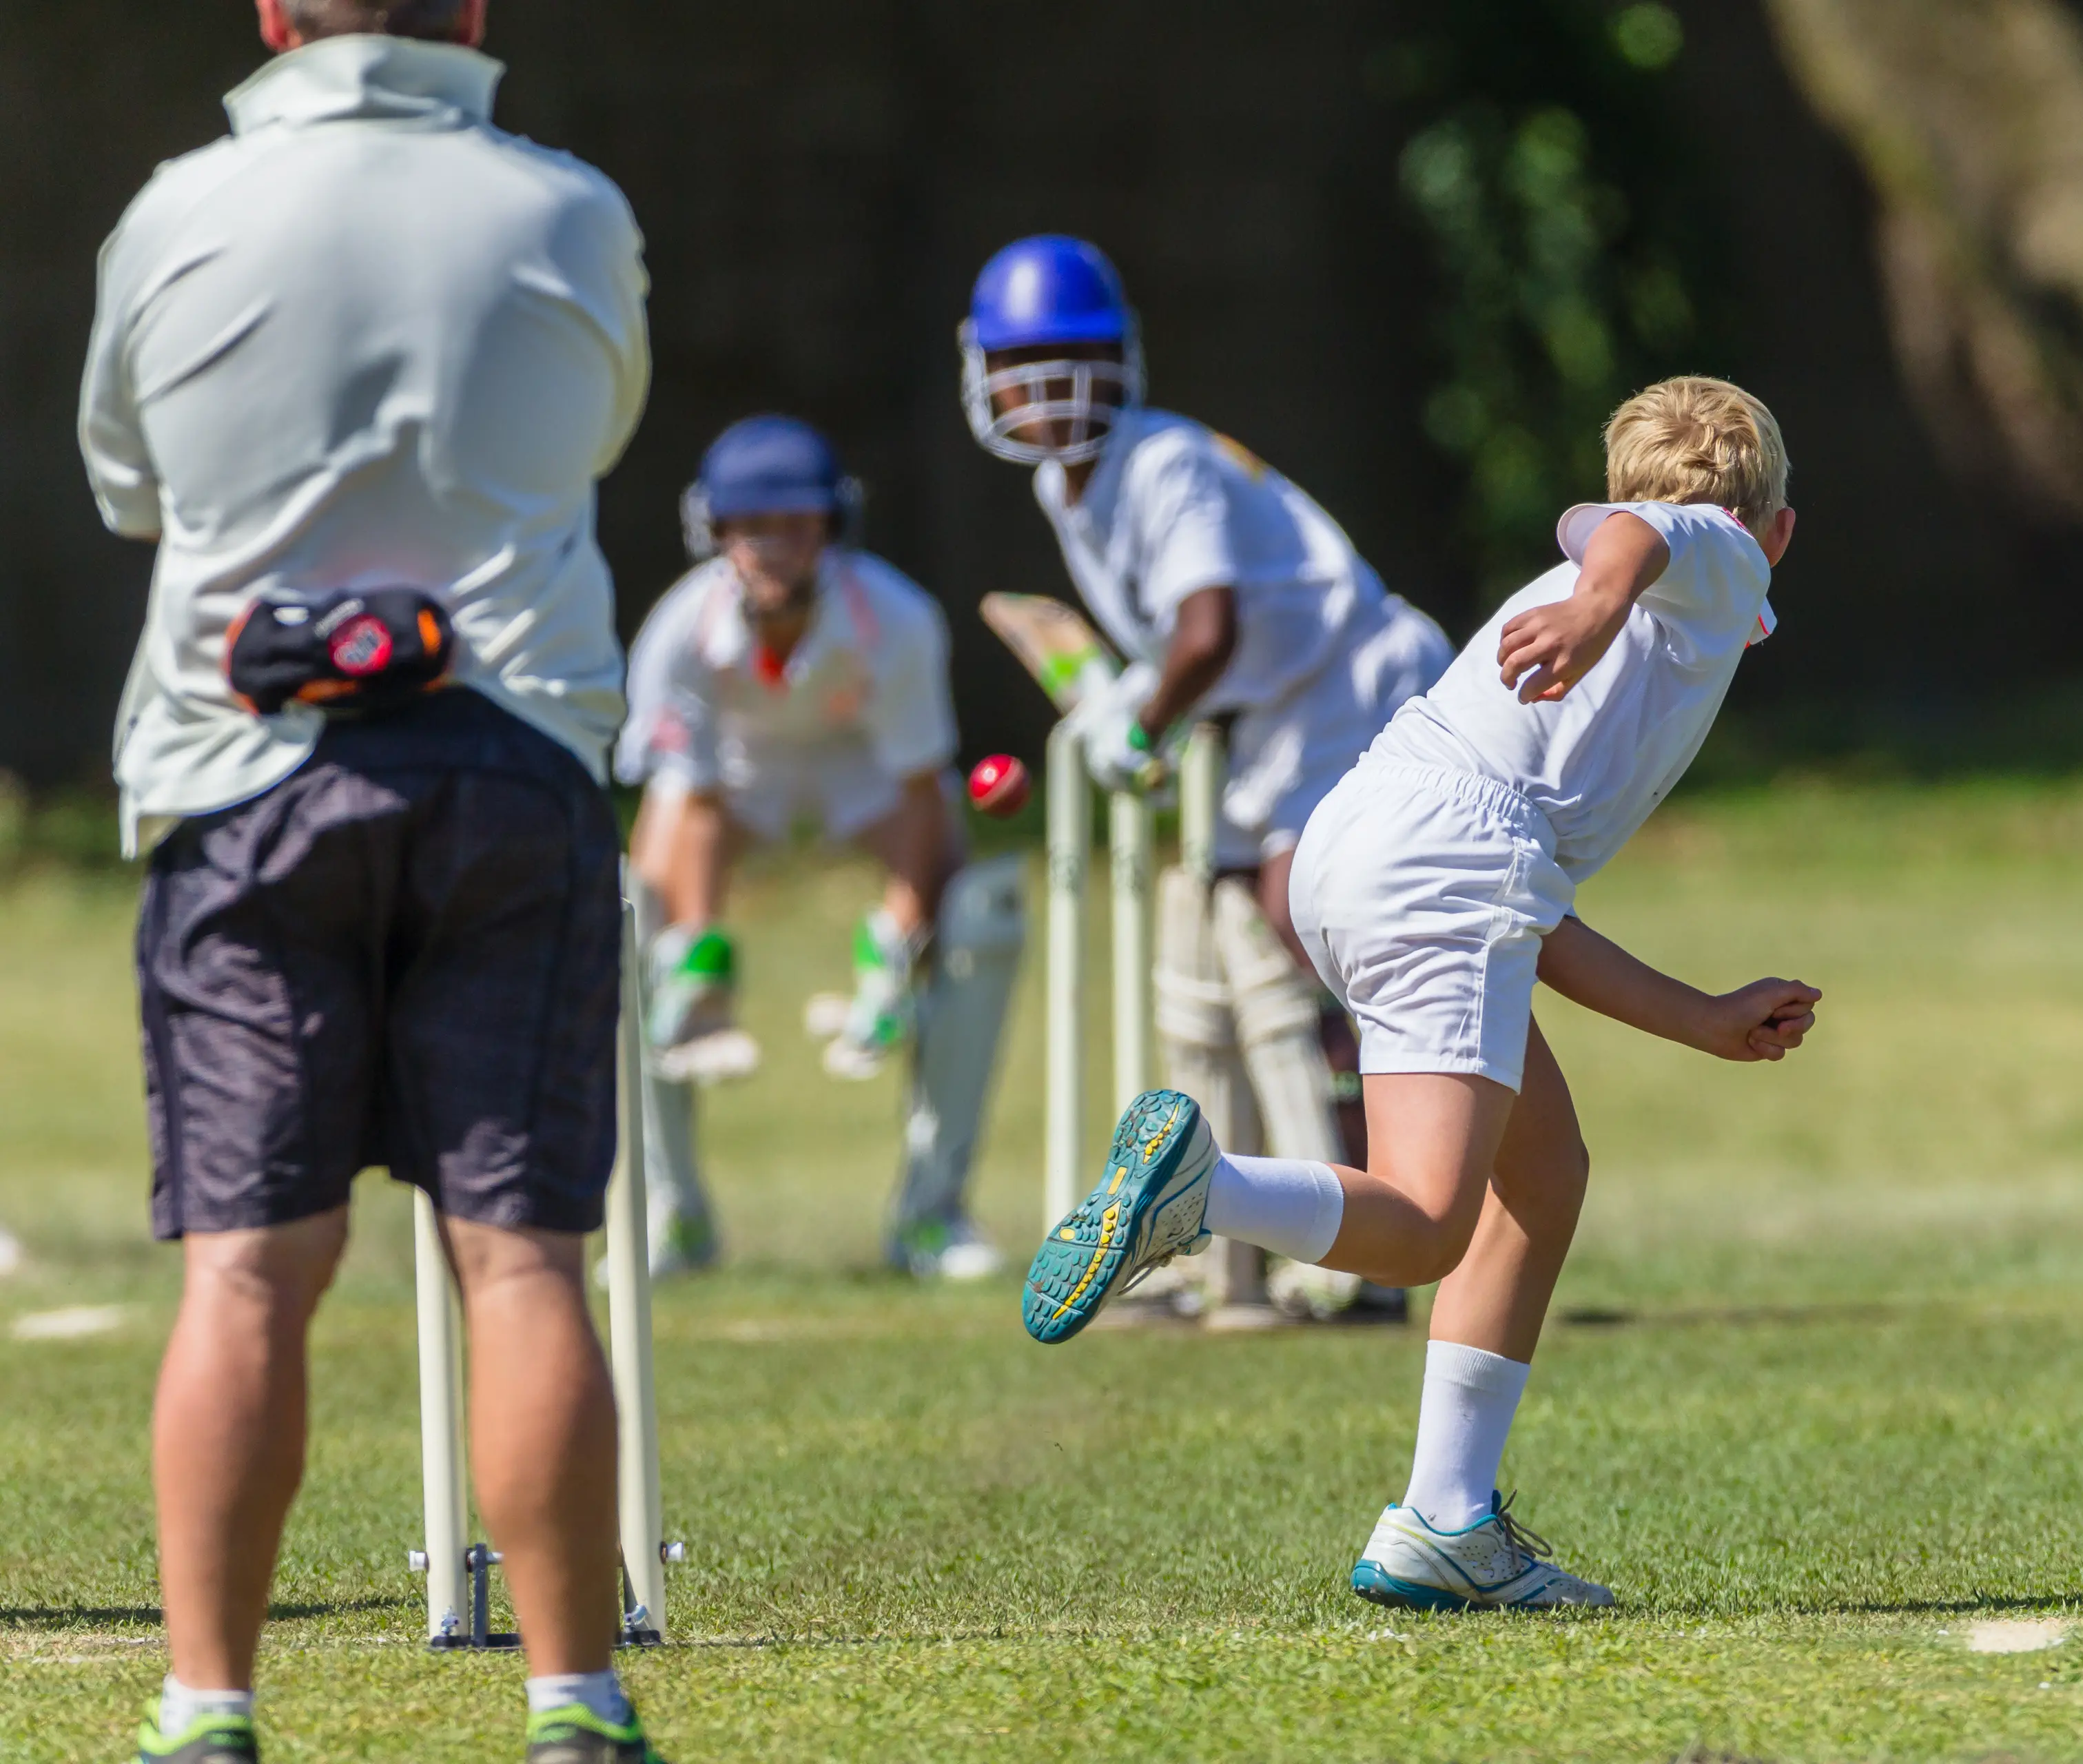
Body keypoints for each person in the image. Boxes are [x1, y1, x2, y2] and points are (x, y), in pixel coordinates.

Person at [79, 1, 662, 1758]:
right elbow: (597, 431)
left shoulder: (174, 211)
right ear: (473, 13)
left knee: (249, 1271)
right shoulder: (569, 209)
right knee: (523, 1260)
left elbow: (127, 487)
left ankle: (209, 1707)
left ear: (270, 15)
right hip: (510, 761)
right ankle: (574, 1696)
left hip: (241, 776)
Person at [1021, 376, 1823, 1610]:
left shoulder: (1606, 595)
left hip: (1362, 843)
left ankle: (1446, 1522)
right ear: (1780, 530)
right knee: (1425, 1221)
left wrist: (1700, 1017)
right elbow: (1655, 534)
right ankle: (1204, 1192)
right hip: (1446, 863)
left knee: (1539, 1178)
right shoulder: (1715, 564)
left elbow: (1526, 914)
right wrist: (1605, 599)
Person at [961, 234, 1450, 1324]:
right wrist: (1135, 700)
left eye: (1071, 358)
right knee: (1220, 943)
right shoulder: (1065, 484)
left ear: (1118, 361)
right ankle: (1229, 1239)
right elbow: (1192, 644)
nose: (1046, 389)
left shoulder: (1165, 462)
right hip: (1272, 717)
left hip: (1349, 681)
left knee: (1303, 923)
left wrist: (1140, 721)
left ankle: (1386, 1225)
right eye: (1022, 363)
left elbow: (1209, 631)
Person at [616, 415, 1020, 1280]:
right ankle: (672, 1212)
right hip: (734, 776)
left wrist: (892, 947)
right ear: (716, 532)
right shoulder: (678, 632)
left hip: (862, 773)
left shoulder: (897, 619)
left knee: (978, 920)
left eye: (795, 526)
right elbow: (692, 800)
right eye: (752, 528)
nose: (773, 547)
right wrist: (698, 954)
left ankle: (931, 1214)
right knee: (626, 919)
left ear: (831, 528)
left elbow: (920, 793)